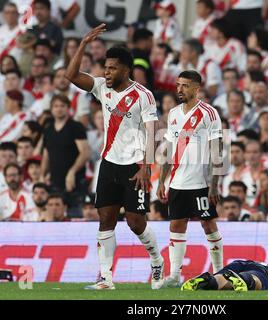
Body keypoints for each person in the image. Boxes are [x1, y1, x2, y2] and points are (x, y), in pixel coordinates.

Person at [65, 23, 164, 290]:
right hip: (109, 163)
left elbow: (153, 131)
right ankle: (106, 278)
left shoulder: (144, 96)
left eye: (111, 68)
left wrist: (147, 166)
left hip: (134, 165)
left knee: (135, 222)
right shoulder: (101, 87)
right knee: (106, 218)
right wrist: (83, 44)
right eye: (105, 68)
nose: (106, 72)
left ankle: (156, 260)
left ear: (126, 69)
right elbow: (71, 75)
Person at [156, 70, 224, 288]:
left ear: (196, 88)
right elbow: (168, 150)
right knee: (176, 225)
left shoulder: (209, 113)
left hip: (200, 183)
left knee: (208, 224)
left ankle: (219, 272)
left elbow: (217, 151)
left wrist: (214, 185)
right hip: (177, 182)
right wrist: (161, 182)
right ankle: (175, 276)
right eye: (178, 85)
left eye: (185, 85)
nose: (179, 89)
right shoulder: (174, 114)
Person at [41, 94, 91, 215]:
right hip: (55, 183)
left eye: (62, 106)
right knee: (54, 219)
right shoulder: (48, 129)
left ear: (68, 108)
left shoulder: (76, 127)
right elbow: (46, 154)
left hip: (75, 183)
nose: (59, 109)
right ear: (51, 109)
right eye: (56, 106)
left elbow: (85, 153)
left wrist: (72, 172)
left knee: (76, 218)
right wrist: (42, 175)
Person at [181, 259, 268, 292]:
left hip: (238, 263)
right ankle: (243, 279)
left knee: (223, 278)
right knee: (255, 280)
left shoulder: (247, 262)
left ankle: (207, 280)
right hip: (263, 272)